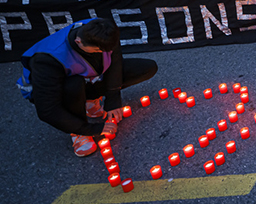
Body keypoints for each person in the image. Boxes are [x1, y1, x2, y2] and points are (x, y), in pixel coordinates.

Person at [16, 18, 158, 157]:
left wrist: (113, 98)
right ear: (79, 42)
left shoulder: (104, 30)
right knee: (74, 85)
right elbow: (47, 110)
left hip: (88, 79)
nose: (102, 53)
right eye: (97, 50)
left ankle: (90, 101)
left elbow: (115, 62)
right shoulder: (46, 60)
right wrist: (91, 129)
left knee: (146, 68)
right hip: (55, 92)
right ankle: (78, 133)